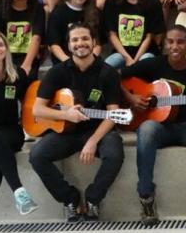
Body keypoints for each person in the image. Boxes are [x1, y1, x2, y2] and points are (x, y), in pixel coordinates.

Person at [120, 25, 186, 227]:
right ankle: (146, 198)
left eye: (180, 42)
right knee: (147, 129)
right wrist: (131, 97)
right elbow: (114, 76)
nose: (175, 46)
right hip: (159, 127)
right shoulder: (153, 65)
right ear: (165, 44)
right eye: (170, 42)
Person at [29, 23, 124, 223]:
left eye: (84, 39)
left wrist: (93, 141)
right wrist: (67, 116)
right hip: (66, 132)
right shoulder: (57, 72)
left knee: (115, 152)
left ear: (94, 42)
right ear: (68, 45)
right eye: (75, 40)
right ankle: (70, 199)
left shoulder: (107, 73)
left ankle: (92, 200)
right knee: (37, 155)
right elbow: (37, 109)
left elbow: (114, 114)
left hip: (97, 130)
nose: (80, 43)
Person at [0, 31, 38, 233]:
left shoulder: (17, 75)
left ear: (6, 49)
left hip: (10, 131)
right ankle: (19, 192)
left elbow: (32, 101)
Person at [103, 0, 165, 69]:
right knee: (104, 69)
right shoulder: (112, 2)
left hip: (145, 52)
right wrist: (127, 58)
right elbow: (112, 35)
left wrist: (135, 62)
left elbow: (149, 37)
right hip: (120, 53)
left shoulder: (153, 3)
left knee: (147, 61)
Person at [47, 0, 101, 64]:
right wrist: (71, 62)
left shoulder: (95, 12)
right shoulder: (58, 13)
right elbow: (54, 45)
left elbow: (98, 44)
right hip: (64, 63)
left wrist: (88, 61)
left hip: (89, 63)